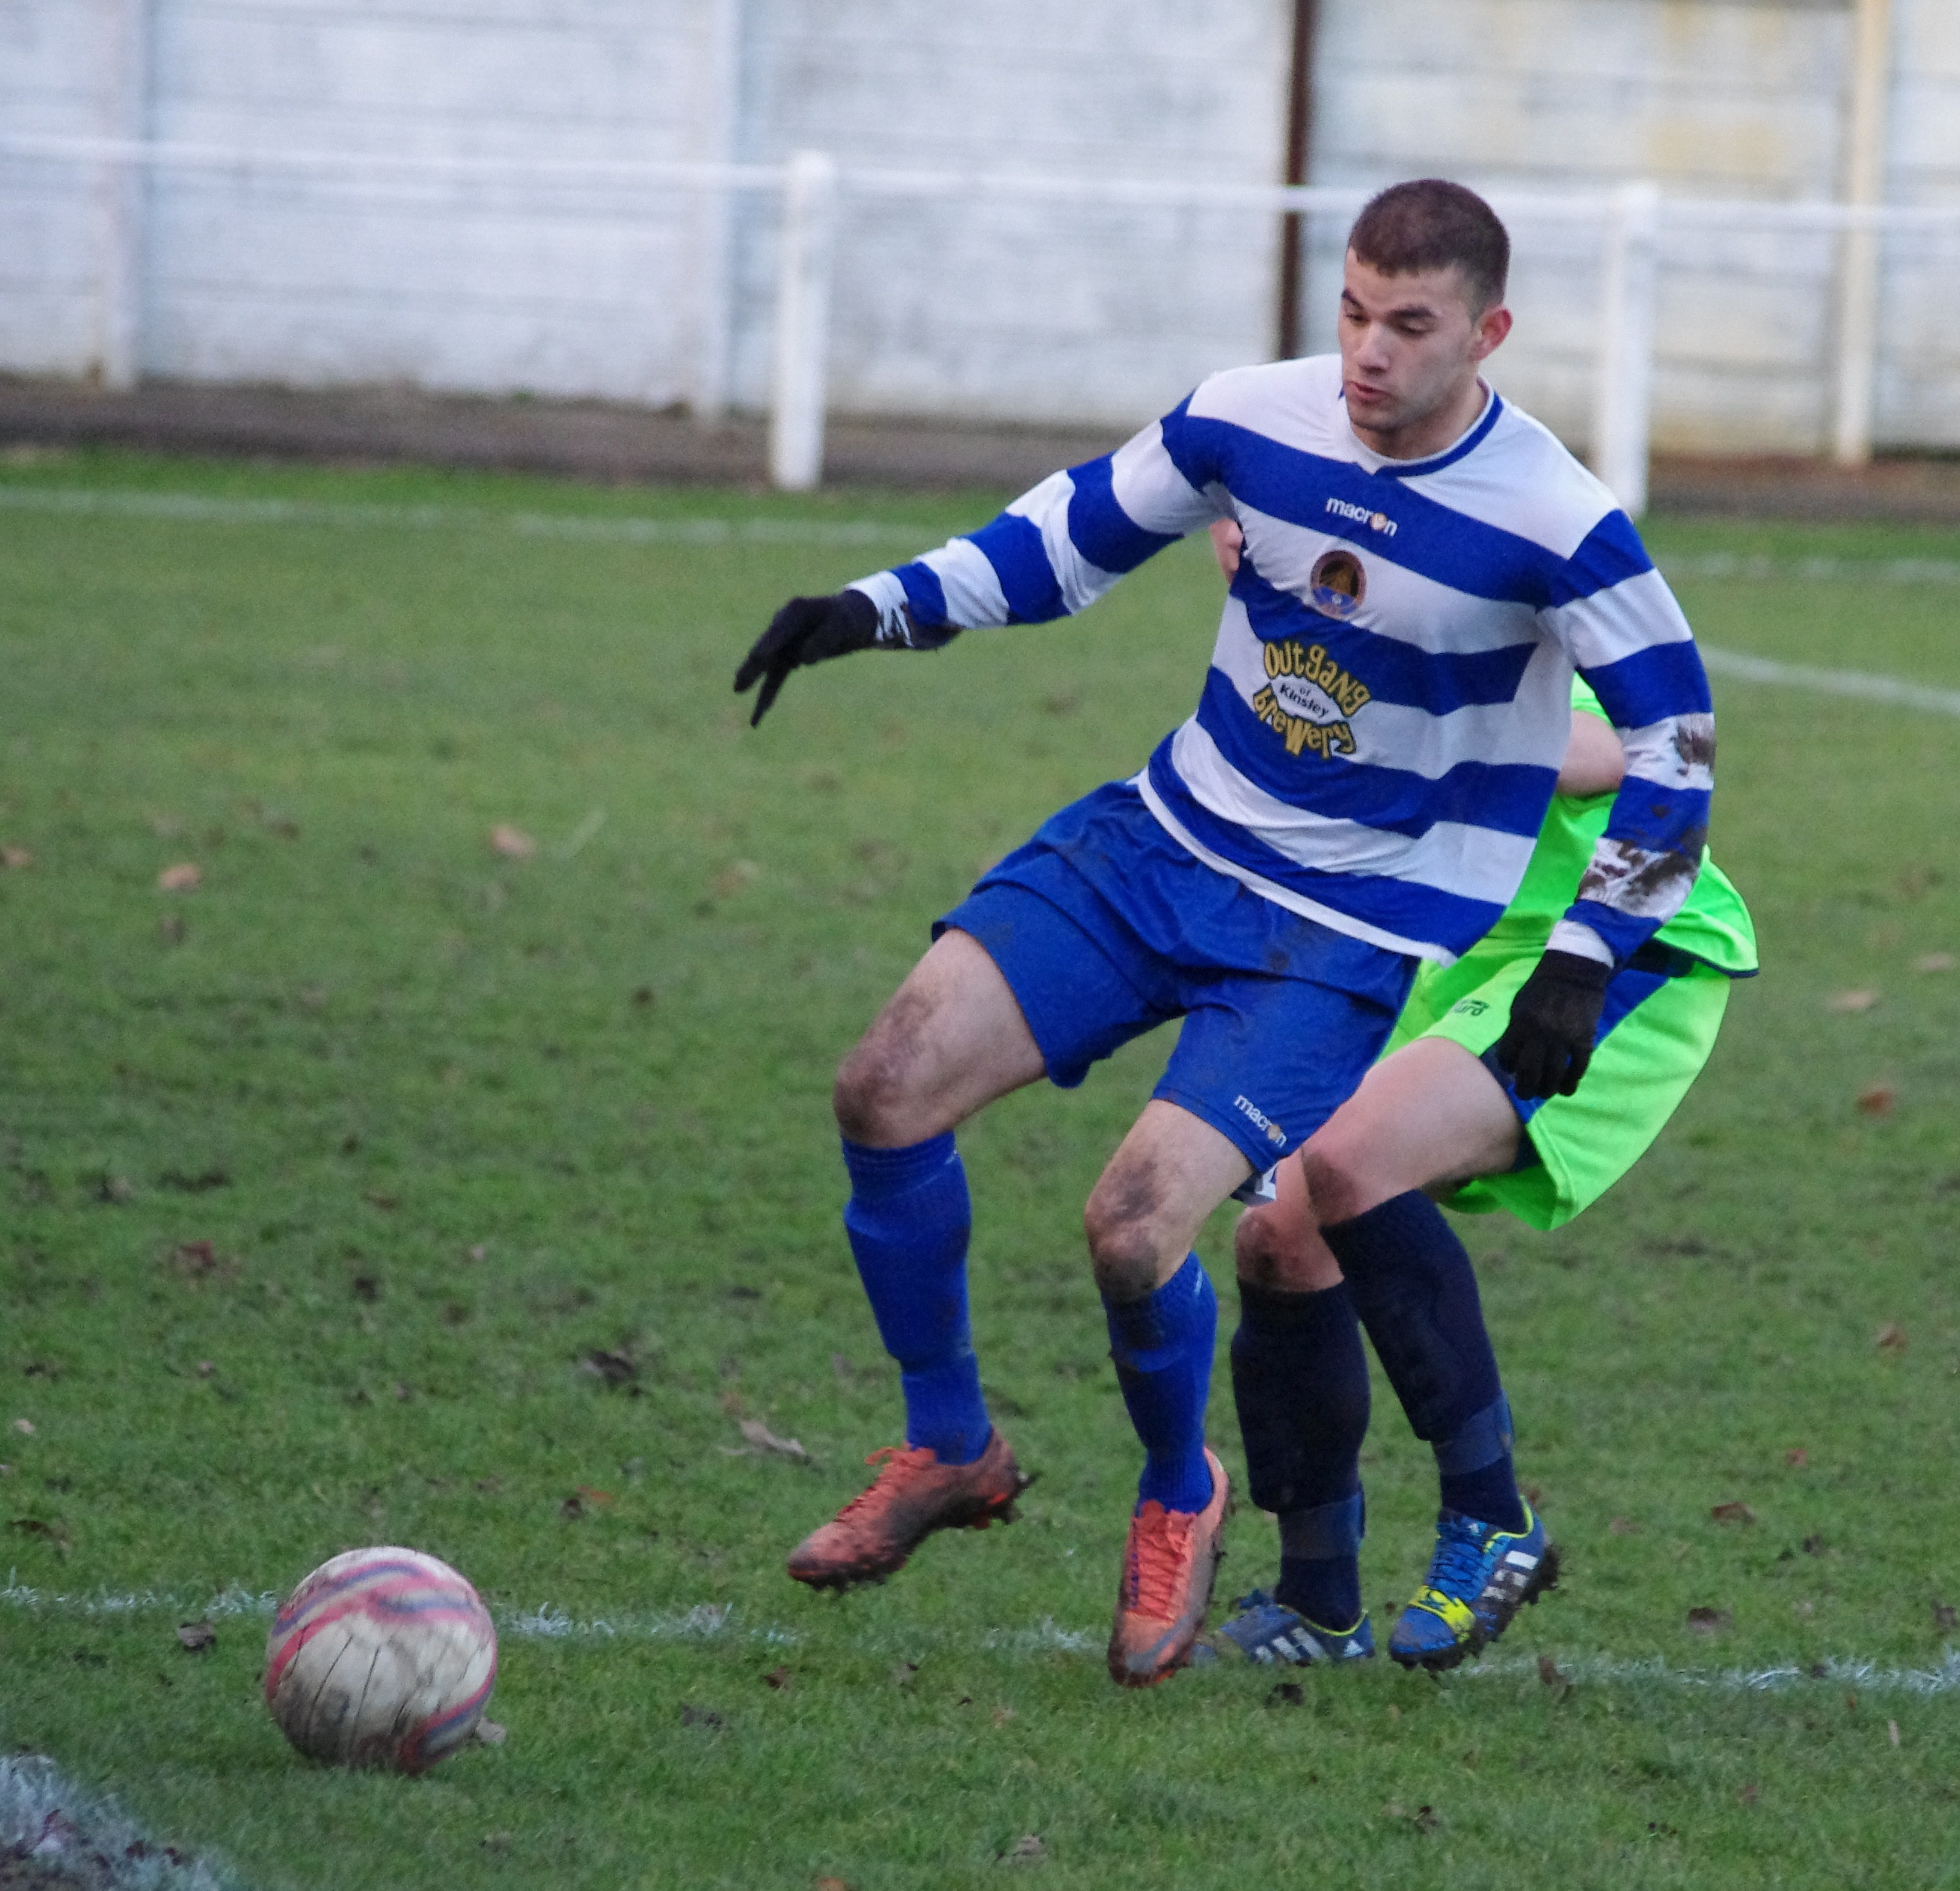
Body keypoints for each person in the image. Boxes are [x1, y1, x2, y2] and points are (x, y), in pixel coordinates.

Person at [733, 179, 1716, 1688]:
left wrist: (1586, 953)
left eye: (1409, 326)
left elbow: (1674, 741)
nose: (1367, 354)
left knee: (1135, 1228)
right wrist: (875, 607)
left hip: (1335, 931)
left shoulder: (1554, 518)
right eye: (1351, 313)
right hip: (1158, 843)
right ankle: (947, 1447)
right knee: (882, 1084)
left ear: (1487, 332)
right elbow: (1062, 540)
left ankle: (1180, 1495)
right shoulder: (1252, 418)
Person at [1195, 521, 1756, 1673]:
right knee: (1277, 1237)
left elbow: (1611, 754)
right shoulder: (1296, 662)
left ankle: (1493, 1516)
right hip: (1454, 953)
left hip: (1616, 945)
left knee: (1354, 1165)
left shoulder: (1463, 608)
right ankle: (1316, 1601)